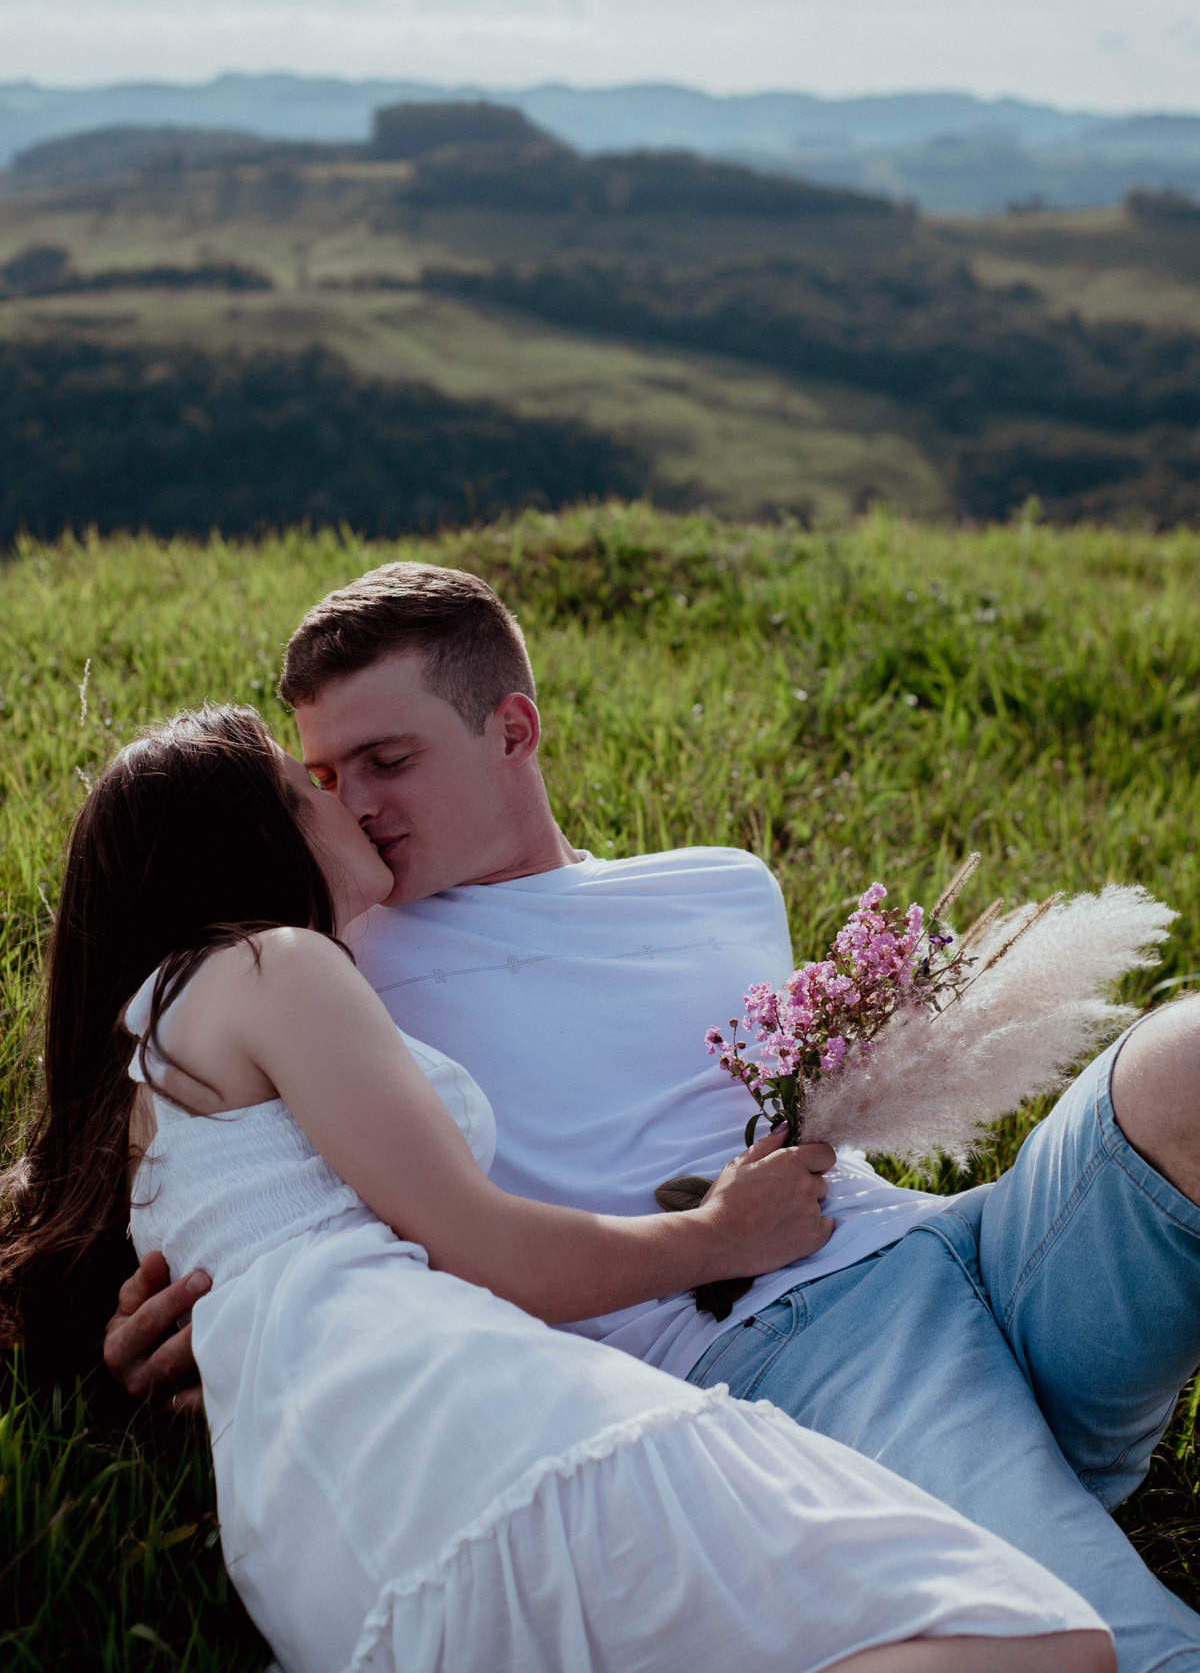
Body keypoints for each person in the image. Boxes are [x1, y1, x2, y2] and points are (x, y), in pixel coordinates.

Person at [104, 563, 1200, 1673]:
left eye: (389, 761)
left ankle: (1019, 1473)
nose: (354, 806)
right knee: (1112, 1642)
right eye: (325, 778)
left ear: (513, 730)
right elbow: (220, 1168)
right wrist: (168, 1318)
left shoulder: (725, 884)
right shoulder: (334, 959)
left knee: (1185, 1056)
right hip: (781, 1341)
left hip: (968, 1250)